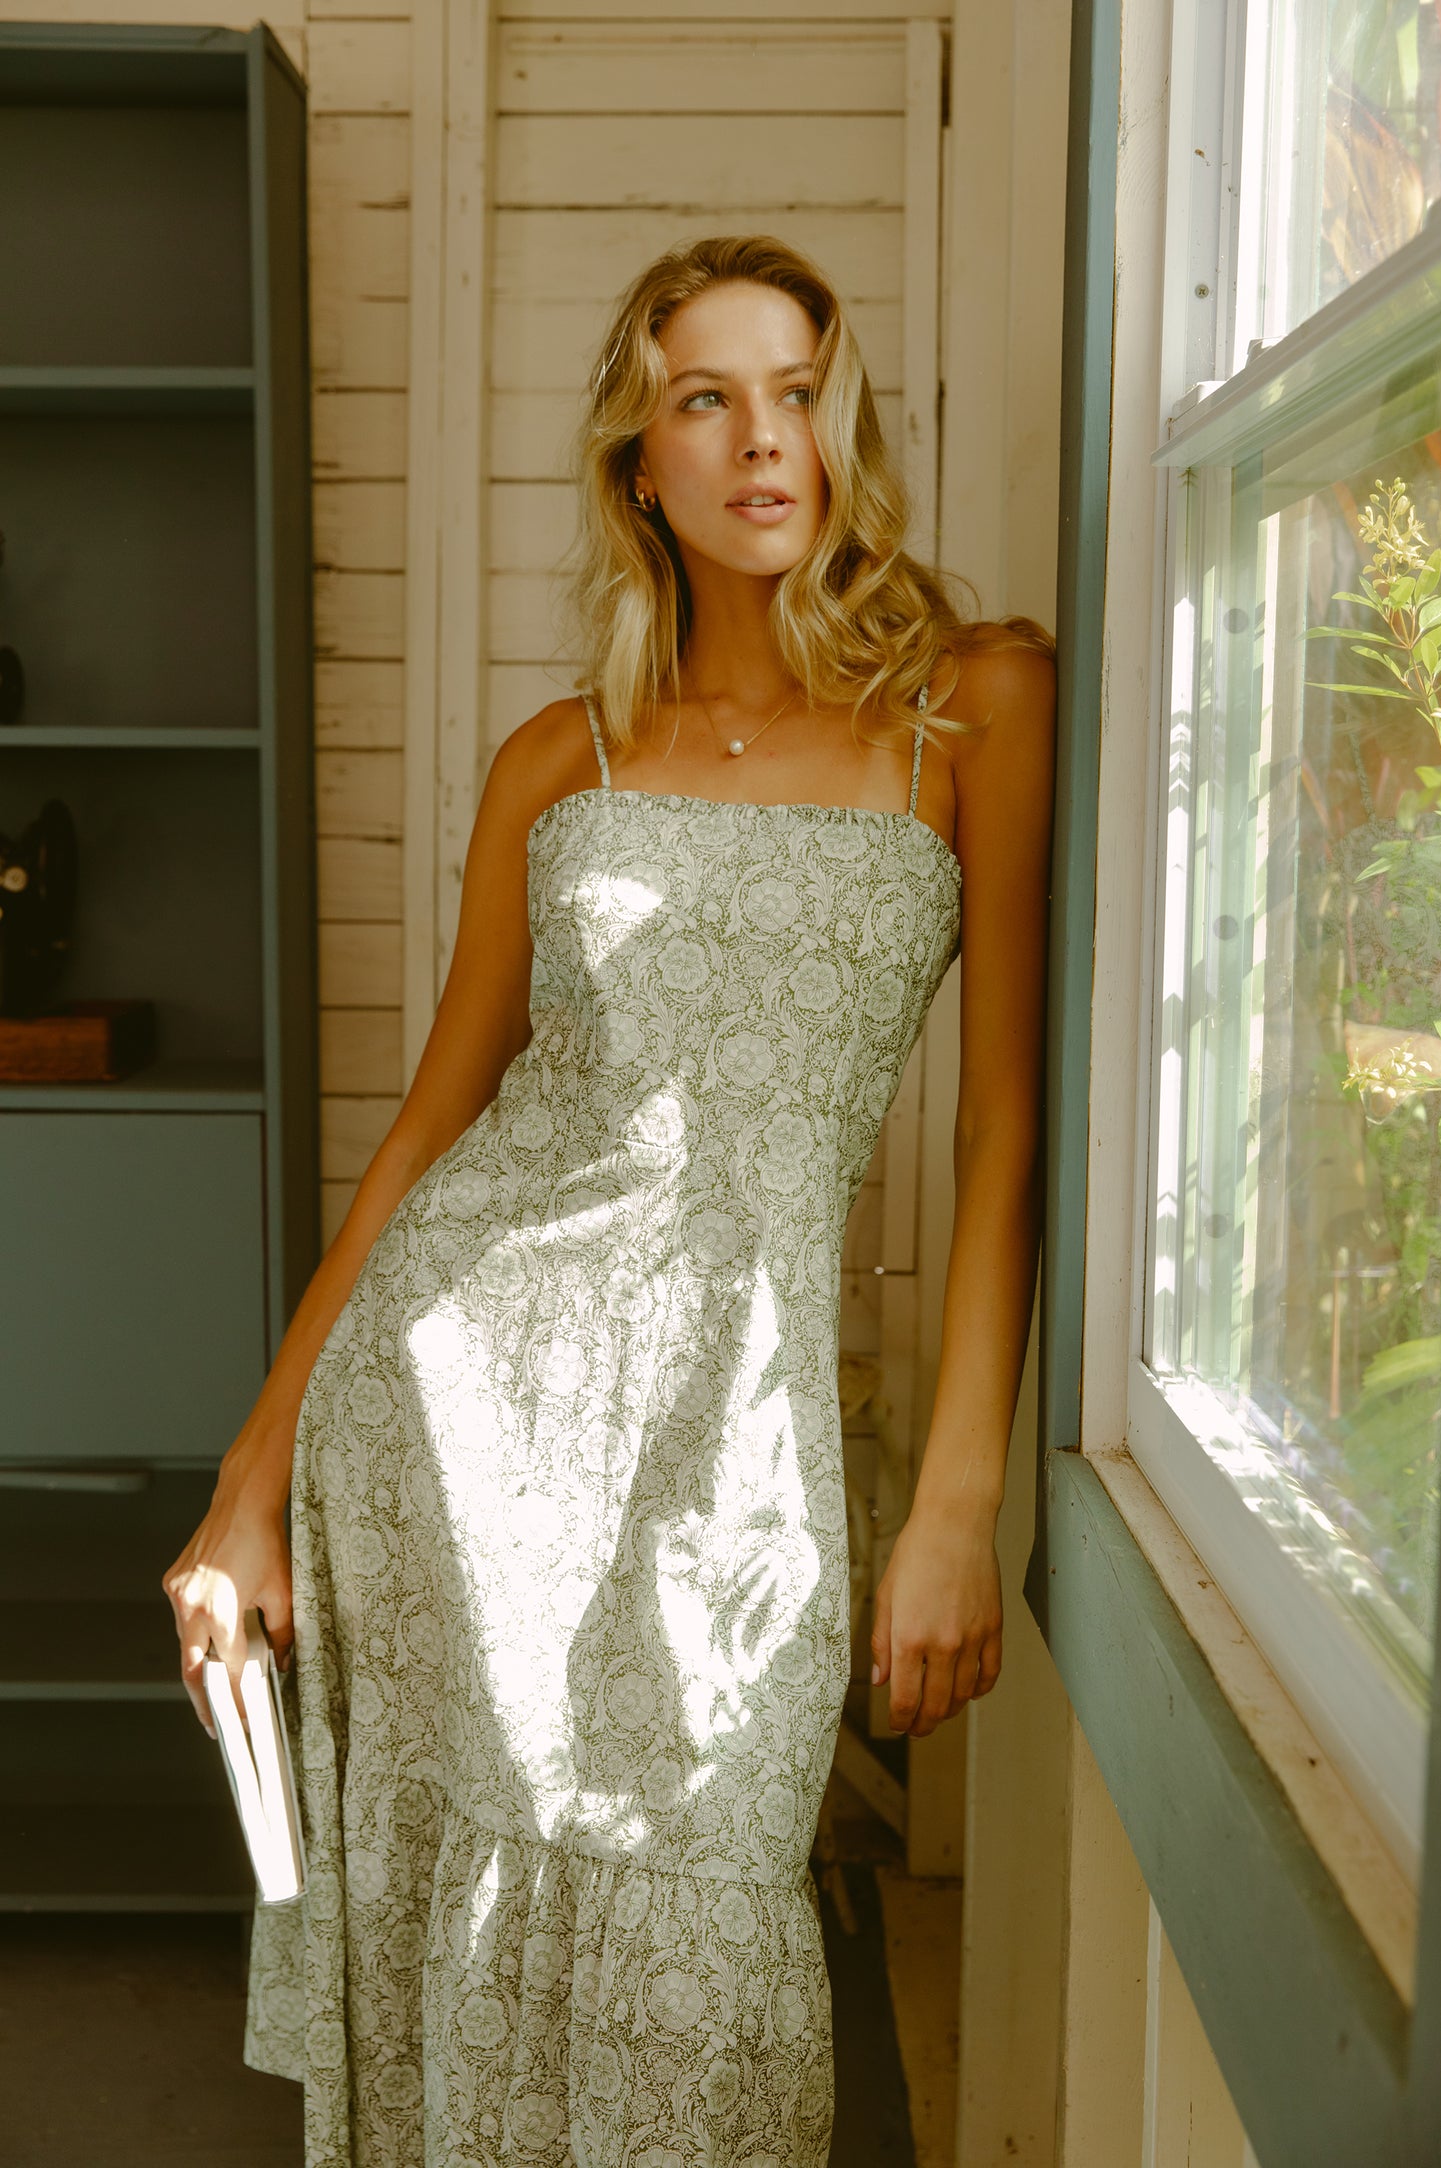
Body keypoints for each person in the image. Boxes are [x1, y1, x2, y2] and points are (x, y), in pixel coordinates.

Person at [162, 232, 1055, 2168]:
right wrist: (249, 1488)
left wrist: (956, 1502)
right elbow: (433, 1128)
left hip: (738, 1439)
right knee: (471, 1942)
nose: (762, 439)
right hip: (454, 1416)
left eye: (797, 393)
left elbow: (1006, 1129)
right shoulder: (558, 760)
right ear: (639, 464)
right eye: (704, 400)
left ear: (842, 429)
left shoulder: (974, 706)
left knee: (705, 1950)